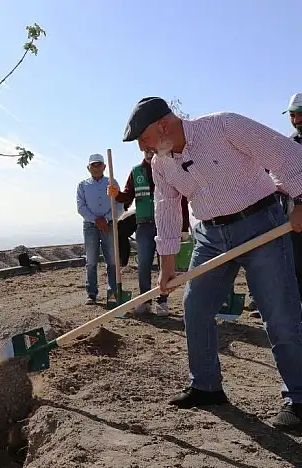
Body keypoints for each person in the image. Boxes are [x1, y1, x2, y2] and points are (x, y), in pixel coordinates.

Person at [122, 96, 302, 431]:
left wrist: (301, 200)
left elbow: (286, 154)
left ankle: (300, 398)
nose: (141, 148)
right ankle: (206, 387)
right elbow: (166, 211)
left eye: (143, 139)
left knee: (280, 314)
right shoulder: (161, 164)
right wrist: (167, 266)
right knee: (196, 307)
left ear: (163, 125)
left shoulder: (223, 125)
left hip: (261, 223)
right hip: (209, 236)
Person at [107, 151, 190, 316]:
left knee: (164, 265)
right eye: (146, 150)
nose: (149, 153)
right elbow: (127, 196)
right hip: (144, 224)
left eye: (152, 150)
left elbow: (182, 199)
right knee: (143, 264)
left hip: (165, 223)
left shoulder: (168, 169)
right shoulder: (136, 171)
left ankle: (162, 302)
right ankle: (145, 300)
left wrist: (184, 227)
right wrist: (116, 194)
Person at [250, 93, 302, 318]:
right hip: (295, 214)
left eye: (300, 114)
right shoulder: (289, 144)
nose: (297, 120)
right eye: (293, 115)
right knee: (295, 265)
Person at [76, 153, 122, 305]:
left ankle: (113, 292)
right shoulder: (83, 185)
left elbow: (119, 204)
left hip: (109, 225)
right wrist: (96, 220)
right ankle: (91, 293)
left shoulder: (112, 183)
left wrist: (107, 219)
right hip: (90, 226)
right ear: (88, 168)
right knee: (91, 261)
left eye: (98, 165)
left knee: (112, 260)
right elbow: (81, 207)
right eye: (93, 165)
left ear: (104, 166)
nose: (96, 168)